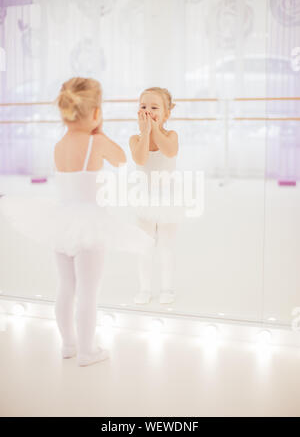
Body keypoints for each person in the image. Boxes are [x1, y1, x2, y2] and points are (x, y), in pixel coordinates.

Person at [0, 77, 155, 367]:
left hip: (61, 224)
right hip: (89, 226)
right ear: (96, 113)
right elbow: (121, 159)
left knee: (65, 287)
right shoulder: (96, 141)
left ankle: (68, 345)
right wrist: (100, 132)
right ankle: (87, 351)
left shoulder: (59, 145)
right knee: (88, 291)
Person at [129, 87, 185, 305]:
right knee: (144, 246)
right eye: (143, 107)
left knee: (166, 247)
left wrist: (154, 130)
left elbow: (169, 151)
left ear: (166, 114)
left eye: (154, 107)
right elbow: (141, 159)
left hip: (168, 199)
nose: (148, 111)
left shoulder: (171, 135)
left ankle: (167, 288)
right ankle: (144, 288)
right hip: (145, 199)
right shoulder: (135, 138)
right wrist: (145, 134)